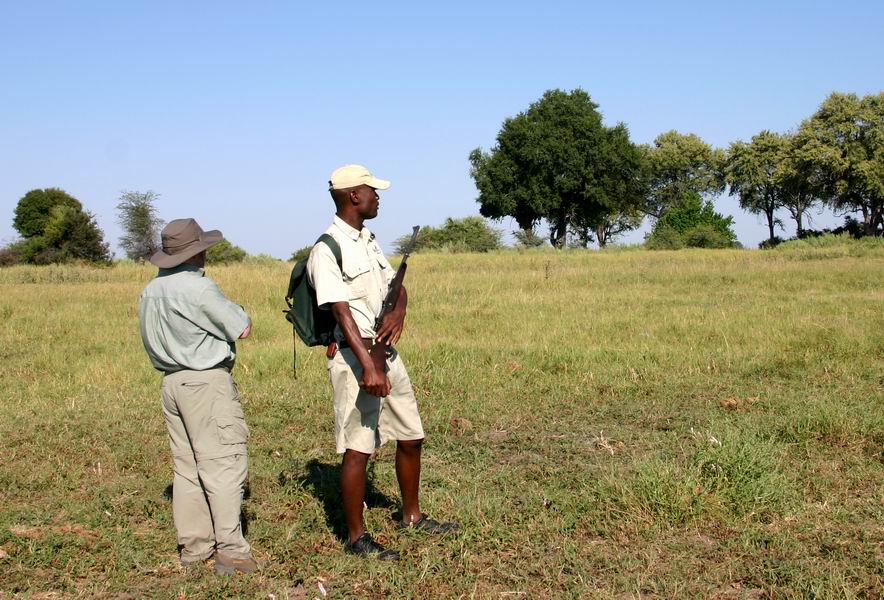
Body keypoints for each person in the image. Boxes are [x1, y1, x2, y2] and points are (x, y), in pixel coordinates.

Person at [307, 164, 457, 561]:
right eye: (372, 190)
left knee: (412, 435)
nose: (378, 196)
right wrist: (367, 365)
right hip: (356, 356)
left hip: (386, 353)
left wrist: (399, 312)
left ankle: (412, 516)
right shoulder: (327, 248)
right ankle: (357, 538)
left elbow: (396, 286)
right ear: (354, 195)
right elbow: (340, 312)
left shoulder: (368, 240)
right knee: (359, 448)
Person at [138, 218, 259, 575]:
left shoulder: (150, 290)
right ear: (196, 252)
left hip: (171, 383)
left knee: (187, 468)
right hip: (205, 381)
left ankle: (194, 548)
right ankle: (231, 551)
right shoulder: (199, 288)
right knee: (223, 463)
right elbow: (243, 327)